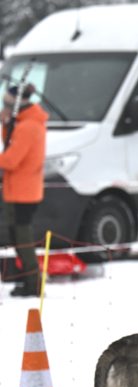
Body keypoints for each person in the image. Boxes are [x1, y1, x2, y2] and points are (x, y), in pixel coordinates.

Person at [0, 83, 47, 297]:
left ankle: (33, 283)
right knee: (18, 237)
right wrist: (5, 124)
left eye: (7, 104)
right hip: (18, 190)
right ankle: (28, 279)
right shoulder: (24, 124)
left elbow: (10, 159)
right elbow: (10, 144)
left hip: (23, 192)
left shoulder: (28, 127)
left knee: (23, 239)